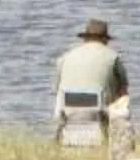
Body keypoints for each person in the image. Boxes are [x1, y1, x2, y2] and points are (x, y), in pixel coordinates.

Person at [54, 18, 130, 146]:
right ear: (105, 39)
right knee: (121, 102)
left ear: (85, 39)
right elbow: (124, 93)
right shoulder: (113, 57)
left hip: (68, 112)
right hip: (98, 114)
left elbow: (57, 90)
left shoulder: (65, 58)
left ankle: (60, 140)